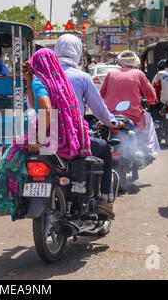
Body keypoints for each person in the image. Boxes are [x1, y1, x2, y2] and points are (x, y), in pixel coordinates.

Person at [0, 48, 92, 221]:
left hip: (49, 138)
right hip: (70, 140)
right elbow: (34, 105)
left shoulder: (41, 83)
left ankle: (16, 206)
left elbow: (46, 109)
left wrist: (38, 140)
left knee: (5, 166)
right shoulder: (61, 82)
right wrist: (29, 80)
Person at [55, 34, 124, 219]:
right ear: (77, 53)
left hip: (45, 140)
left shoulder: (43, 77)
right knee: (104, 149)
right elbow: (99, 109)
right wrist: (114, 123)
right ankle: (104, 199)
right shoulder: (82, 77)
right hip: (72, 139)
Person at [100, 50, 160, 161]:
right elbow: (151, 95)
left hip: (111, 116)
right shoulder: (138, 74)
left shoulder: (111, 73)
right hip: (133, 117)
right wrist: (152, 101)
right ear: (135, 62)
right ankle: (149, 151)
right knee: (148, 119)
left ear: (120, 61)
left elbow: (101, 95)